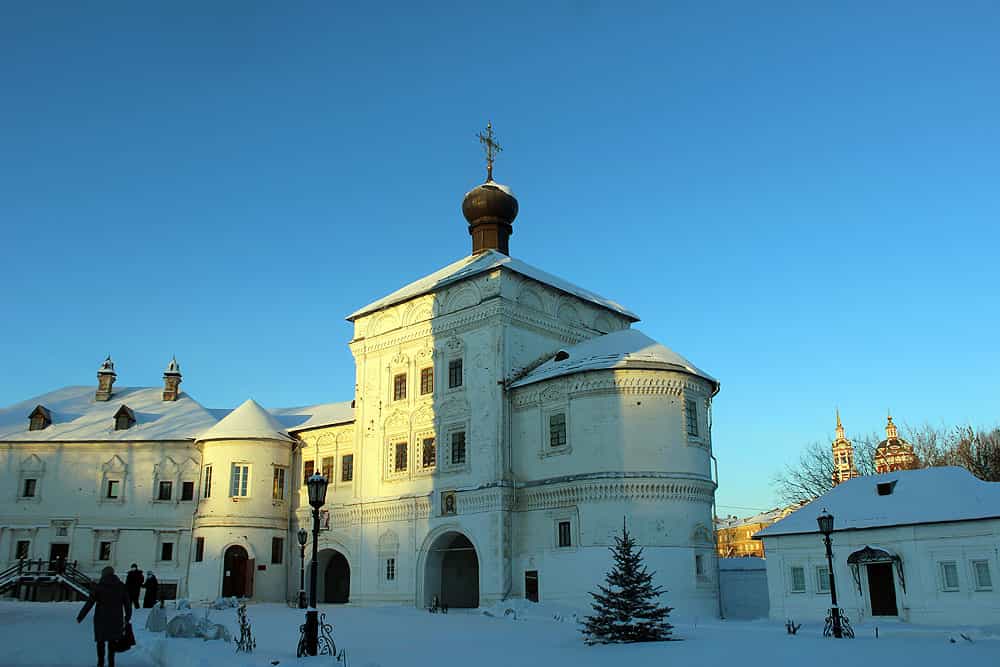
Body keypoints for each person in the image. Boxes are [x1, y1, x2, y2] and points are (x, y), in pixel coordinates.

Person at [77, 566, 131, 667]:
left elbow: (90, 602)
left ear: (104, 574)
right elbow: (127, 603)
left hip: (101, 618)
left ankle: (100, 662)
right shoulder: (121, 586)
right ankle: (111, 663)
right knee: (112, 641)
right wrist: (128, 616)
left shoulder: (99, 587)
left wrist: (81, 616)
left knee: (100, 641)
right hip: (116, 619)